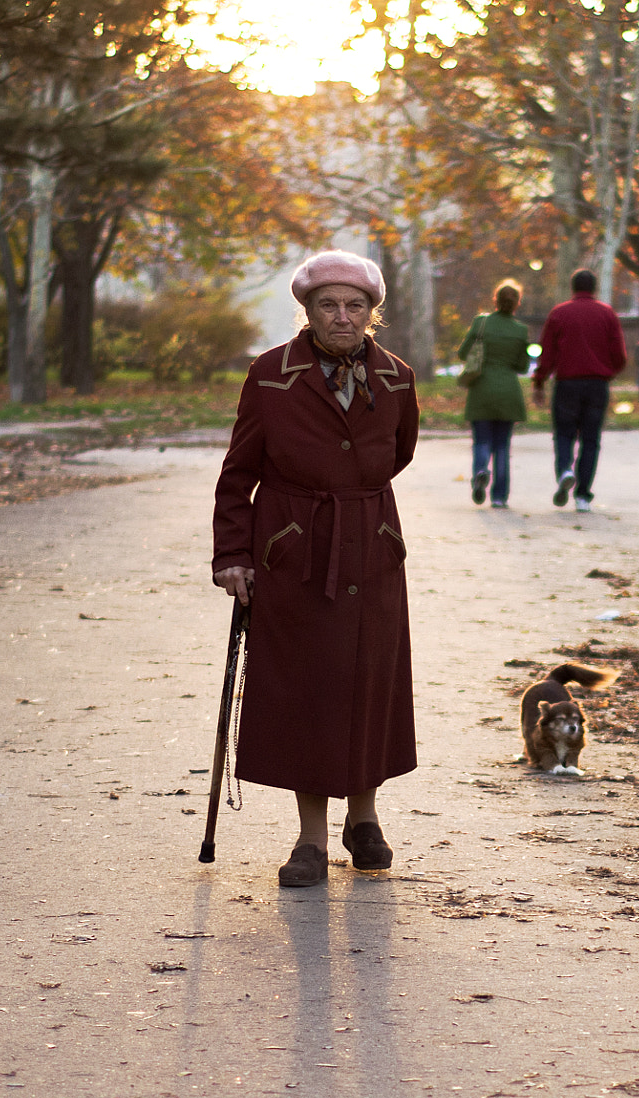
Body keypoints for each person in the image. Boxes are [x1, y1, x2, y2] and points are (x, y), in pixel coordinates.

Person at [211, 249, 420, 887]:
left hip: (373, 548)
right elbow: (237, 474)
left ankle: (364, 820)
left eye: (355, 306)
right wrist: (235, 555)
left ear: (371, 313)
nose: (342, 316)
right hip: (295, 555)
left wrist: (358, 500)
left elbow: (399, 452)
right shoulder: (270, 375)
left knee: (368, 686)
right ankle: (310, 842)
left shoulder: (397, 378)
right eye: (329, 305)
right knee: (309, 692)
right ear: (307, 309)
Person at [531, 268, 628, 512]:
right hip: (597, 384)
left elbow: (547, 353)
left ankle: (565, 470)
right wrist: (608, 372)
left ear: (573, 287)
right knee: (591, 439)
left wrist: (540, 381)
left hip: (567, 384)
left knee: (564, 434)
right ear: (594, 288)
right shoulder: (607, 314)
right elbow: (619, 355)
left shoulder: (559, 313)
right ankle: (583, 495)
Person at [456, 280, 531, 507]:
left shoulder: (481, 323)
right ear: (517, 303)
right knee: (502, 446)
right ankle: (499, 497)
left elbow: (463, 353)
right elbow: (522, 366)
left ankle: (480, 472)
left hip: (481, 389)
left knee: (481, 440)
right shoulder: (521, 330)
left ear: (495, 300)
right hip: (509, 392)